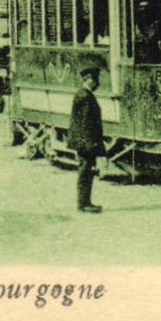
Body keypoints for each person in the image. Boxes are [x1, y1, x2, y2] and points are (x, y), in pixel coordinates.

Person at [68, 63, 106, 213]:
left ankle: (85, 202)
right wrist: (91, 144)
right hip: (85, 142)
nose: (97, 83)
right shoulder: (84, 96)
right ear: (89, 79)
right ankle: (83, 204)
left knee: (87, 171)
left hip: (85, 141)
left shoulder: (84, 94)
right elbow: (85, 123)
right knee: (85, 171)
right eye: (95, 80)